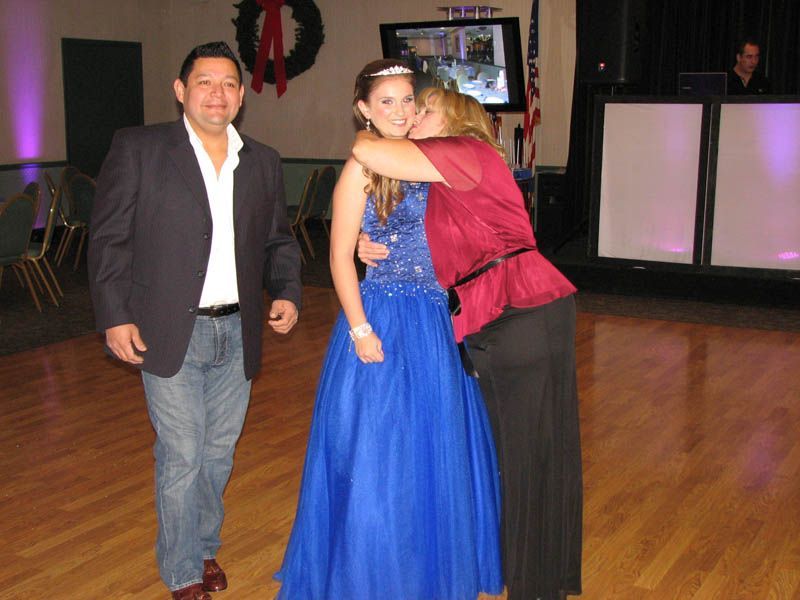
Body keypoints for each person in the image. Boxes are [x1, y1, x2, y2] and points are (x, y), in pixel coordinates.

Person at [275, 60, 502, 599]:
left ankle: (427, 567)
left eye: (408, 101)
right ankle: (371, 571)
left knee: (433, 448)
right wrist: (359, 329)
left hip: (435, 320)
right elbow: (336, 259)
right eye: (387, 103)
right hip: (380, 317)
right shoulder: (362, 166)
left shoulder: (430, 158)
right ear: (364, 110)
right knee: (378, 452)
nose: (401, 112)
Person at [87, 41, 302, 600]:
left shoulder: (263, 160)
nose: (218, 93)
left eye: (229, 83)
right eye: (205, 82)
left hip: (237, 328)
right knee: (182, 452)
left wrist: (287, 291)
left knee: (218, 451)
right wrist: (115, 315)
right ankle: (183, 569)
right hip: (166, 326)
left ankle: (206, 546)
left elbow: (278, 239)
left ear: (241, 97)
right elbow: (108, 238)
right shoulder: (139, 148)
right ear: (181, 91)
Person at [355, 87, 583, 600]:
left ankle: (536, 588)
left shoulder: (467, 152)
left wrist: (374, 116)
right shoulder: (444, 176)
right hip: (500, 315)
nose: (412, 114)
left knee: (528, 460)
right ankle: (538, 578)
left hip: (519, 310)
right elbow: (419, 244)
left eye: (423, 107)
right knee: (520, 455)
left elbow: (367, 151)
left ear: (456, 119)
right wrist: (362, 244)